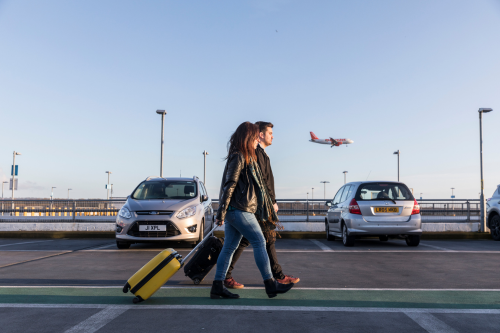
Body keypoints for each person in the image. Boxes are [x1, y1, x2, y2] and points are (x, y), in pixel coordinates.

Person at [210, 121, 294, 299]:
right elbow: (229, 185)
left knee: (229, 247)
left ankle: (217, 286)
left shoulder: (247, 157)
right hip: (239, 209)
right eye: (255, 137)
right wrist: (221, 212)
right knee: (259, 241)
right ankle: (270, 284)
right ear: (248, 137)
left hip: (239, 209)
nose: (258, 140)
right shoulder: (239, 156)